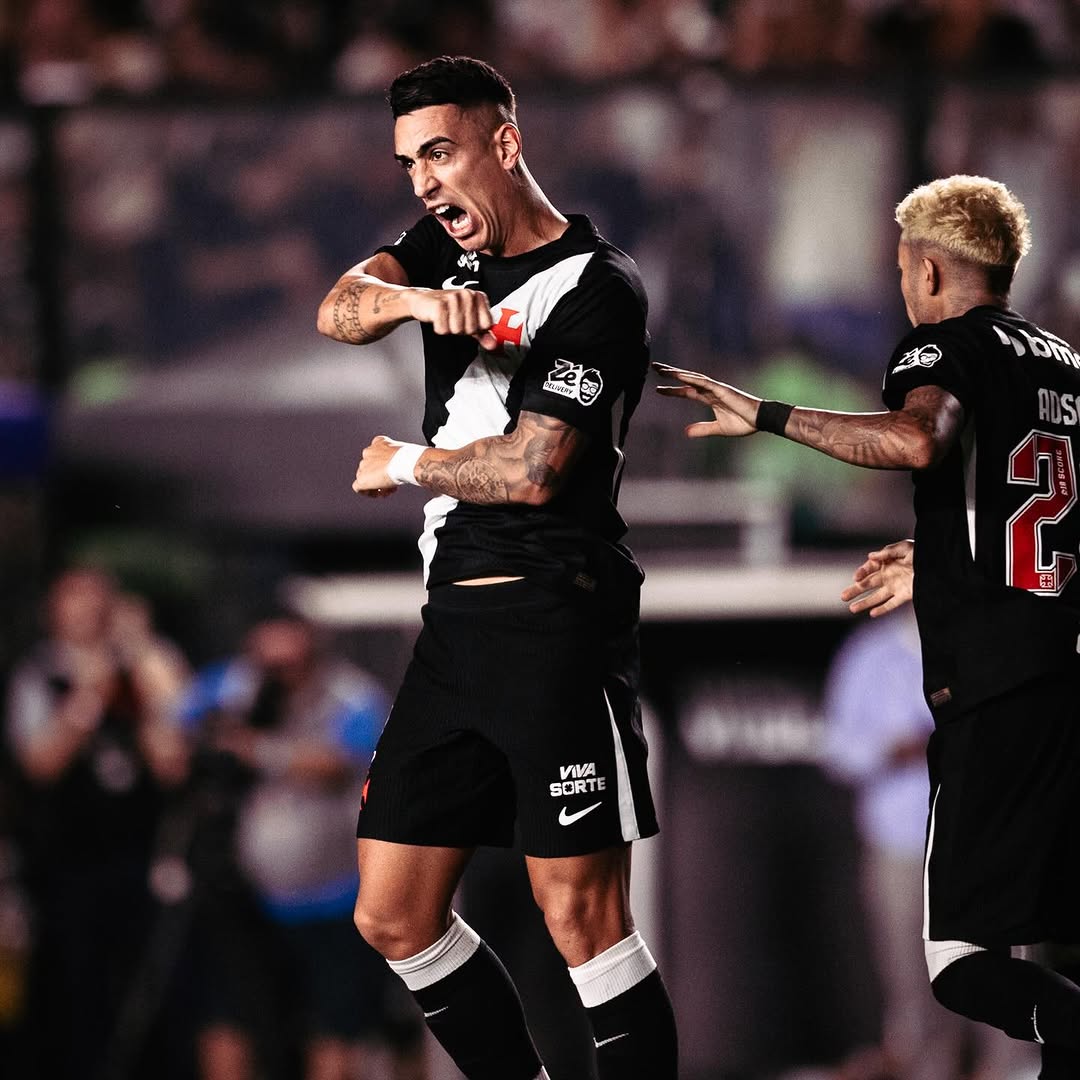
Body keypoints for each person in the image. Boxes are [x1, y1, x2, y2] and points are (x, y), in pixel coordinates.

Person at [656, 174, 1080, 1077]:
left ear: (929, 270)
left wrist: (766, 415)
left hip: (994, 691)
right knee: (1042, 951)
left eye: (900, 270)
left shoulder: (942, 346)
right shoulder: (1064, 363)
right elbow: (1042, 520)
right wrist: (943, 559)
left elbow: (917, 439)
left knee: (960, 969)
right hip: (1059, 676)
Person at [315, 55, 676, 1080]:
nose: (424, 181)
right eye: (409, 164)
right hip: (454, 628)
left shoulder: (599, 286)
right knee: (392, 914)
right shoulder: (439, 248)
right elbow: (336, 310)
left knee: (581, 918)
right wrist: (415, 306)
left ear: (505, 144)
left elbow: (533, 470)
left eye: (440, 152)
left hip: (556, 620)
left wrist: (408, 463)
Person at [176, 612, 426, 1080]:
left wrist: (255, 748)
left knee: (340, 1026)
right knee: (232, 1019)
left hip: (334, 898)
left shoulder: (350, 696)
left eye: (291, 663)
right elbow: (173, 723)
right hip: (250, 900)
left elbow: (339, 762)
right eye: (268, 663)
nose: (280, 675)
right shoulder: (232, 687)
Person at [823, 605, 1026, 1080]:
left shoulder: (989, 647)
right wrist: (894, 748)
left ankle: (1007, 1070)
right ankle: (927, 1069)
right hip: (901, 844)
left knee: (997, 970)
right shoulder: (868, 656)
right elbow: (838, 749)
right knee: (913, 977)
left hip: (982, 843)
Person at [3, 567, 189, 1079]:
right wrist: (91, 695)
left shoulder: (143, 666)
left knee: (144, 991)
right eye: (75, 601)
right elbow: (41, 764)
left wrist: (139, 664)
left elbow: (172, 762)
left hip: (141, 858)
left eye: (97, 600)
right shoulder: (38, 674)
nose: (88, 612)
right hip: (67, 864)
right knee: (75, 992)